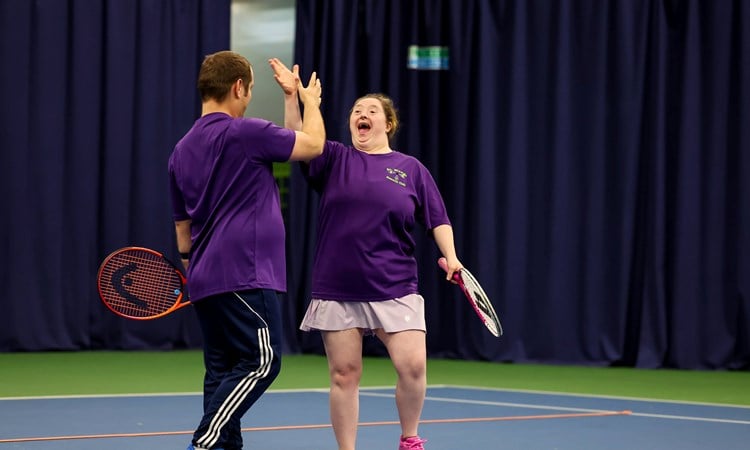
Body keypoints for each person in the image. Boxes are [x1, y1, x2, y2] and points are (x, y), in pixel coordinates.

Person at [271, 61, 463, 450]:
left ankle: (409, 439)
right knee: (345, 375)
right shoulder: (335, 159)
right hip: (338, 284)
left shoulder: (411, 170)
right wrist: (294, 98)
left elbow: (437, 219)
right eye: (358, 110)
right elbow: (299, 139)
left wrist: (452, 256)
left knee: (413, 367)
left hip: (395, 284)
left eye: (372, 110)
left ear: (387, 124)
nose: (363, 114)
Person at [168, 51, 325, 450]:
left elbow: (182, 228)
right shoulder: (244, 132)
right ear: (238, 87)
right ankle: (204, 443)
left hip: (205, 277)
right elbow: (314, 146)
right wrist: (308, 102)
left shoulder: (180, 151)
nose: (250, 96)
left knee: (222, 372)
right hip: (245, 272)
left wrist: (190, 270)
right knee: (262, 361)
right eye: (251, 88)